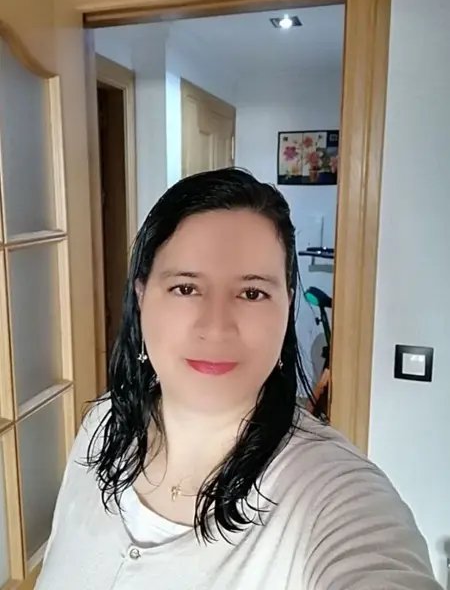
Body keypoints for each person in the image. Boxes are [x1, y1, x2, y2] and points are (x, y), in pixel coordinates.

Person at [36, 168, 442, 589]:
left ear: (287, 307)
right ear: (141, 297)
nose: (216, 328)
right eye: (186, 288)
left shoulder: (332, 495)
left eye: (252, 293)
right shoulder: (102, 425)